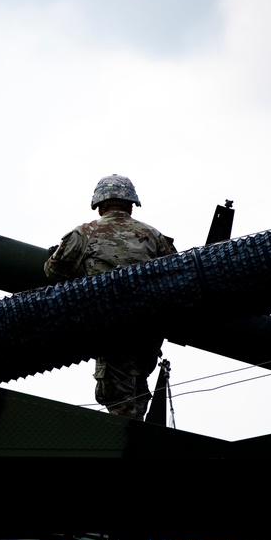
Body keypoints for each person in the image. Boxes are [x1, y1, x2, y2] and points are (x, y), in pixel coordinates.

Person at [45, 174, 176, 419]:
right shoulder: (153, 236)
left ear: (100, 207)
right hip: (148, 331)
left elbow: (54, 271)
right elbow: (176, 274)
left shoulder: (84, 233)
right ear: (130, 205)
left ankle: (130, 447)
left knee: (119, 403)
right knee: (137, 387)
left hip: (112, 329)